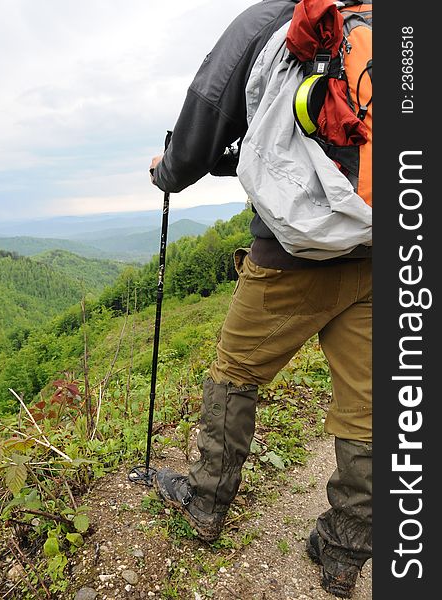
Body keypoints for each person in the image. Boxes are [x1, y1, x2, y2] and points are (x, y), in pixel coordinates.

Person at [149, 1, 372, 598]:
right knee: (368, 405)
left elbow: (204, 122)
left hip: (291, 253)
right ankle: (346, 549)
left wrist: (167, 171)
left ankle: (204, 503)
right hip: (381, 246)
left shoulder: (269, 20)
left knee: (235, 371)